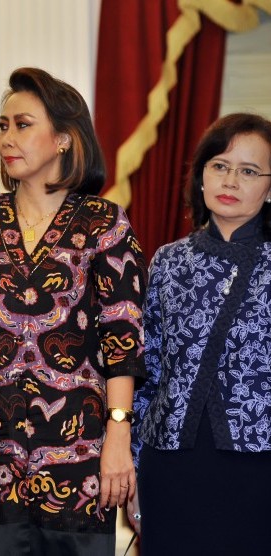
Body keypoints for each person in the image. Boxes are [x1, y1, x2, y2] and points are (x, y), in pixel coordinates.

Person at [0, 67, 147, 555]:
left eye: (22, 124)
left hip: (76, 459)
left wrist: (118, 438)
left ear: (64, 139)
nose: (7, 137)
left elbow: (123, 341)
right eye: (2, 125)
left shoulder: (103, 223)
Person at [129, 113, 271, 554]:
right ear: (202, 174)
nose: (231, 179)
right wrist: (132, 466)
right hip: (171, 463)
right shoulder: (167, 261)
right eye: (219, 165)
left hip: (259, 462)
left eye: (249, 171)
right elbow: (146, 371)